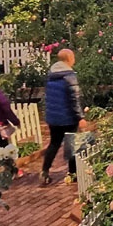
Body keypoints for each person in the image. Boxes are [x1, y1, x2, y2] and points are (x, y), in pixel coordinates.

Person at [42, 48, 83, 185]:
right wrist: (80, 117)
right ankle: (73, 173)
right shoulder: (70, 76)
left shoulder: (51, 76)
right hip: (68, 117)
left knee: (54, 143)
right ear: (69, 59)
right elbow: (74, 99)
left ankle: (45, 171)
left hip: (53, 117)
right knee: (71, 145)